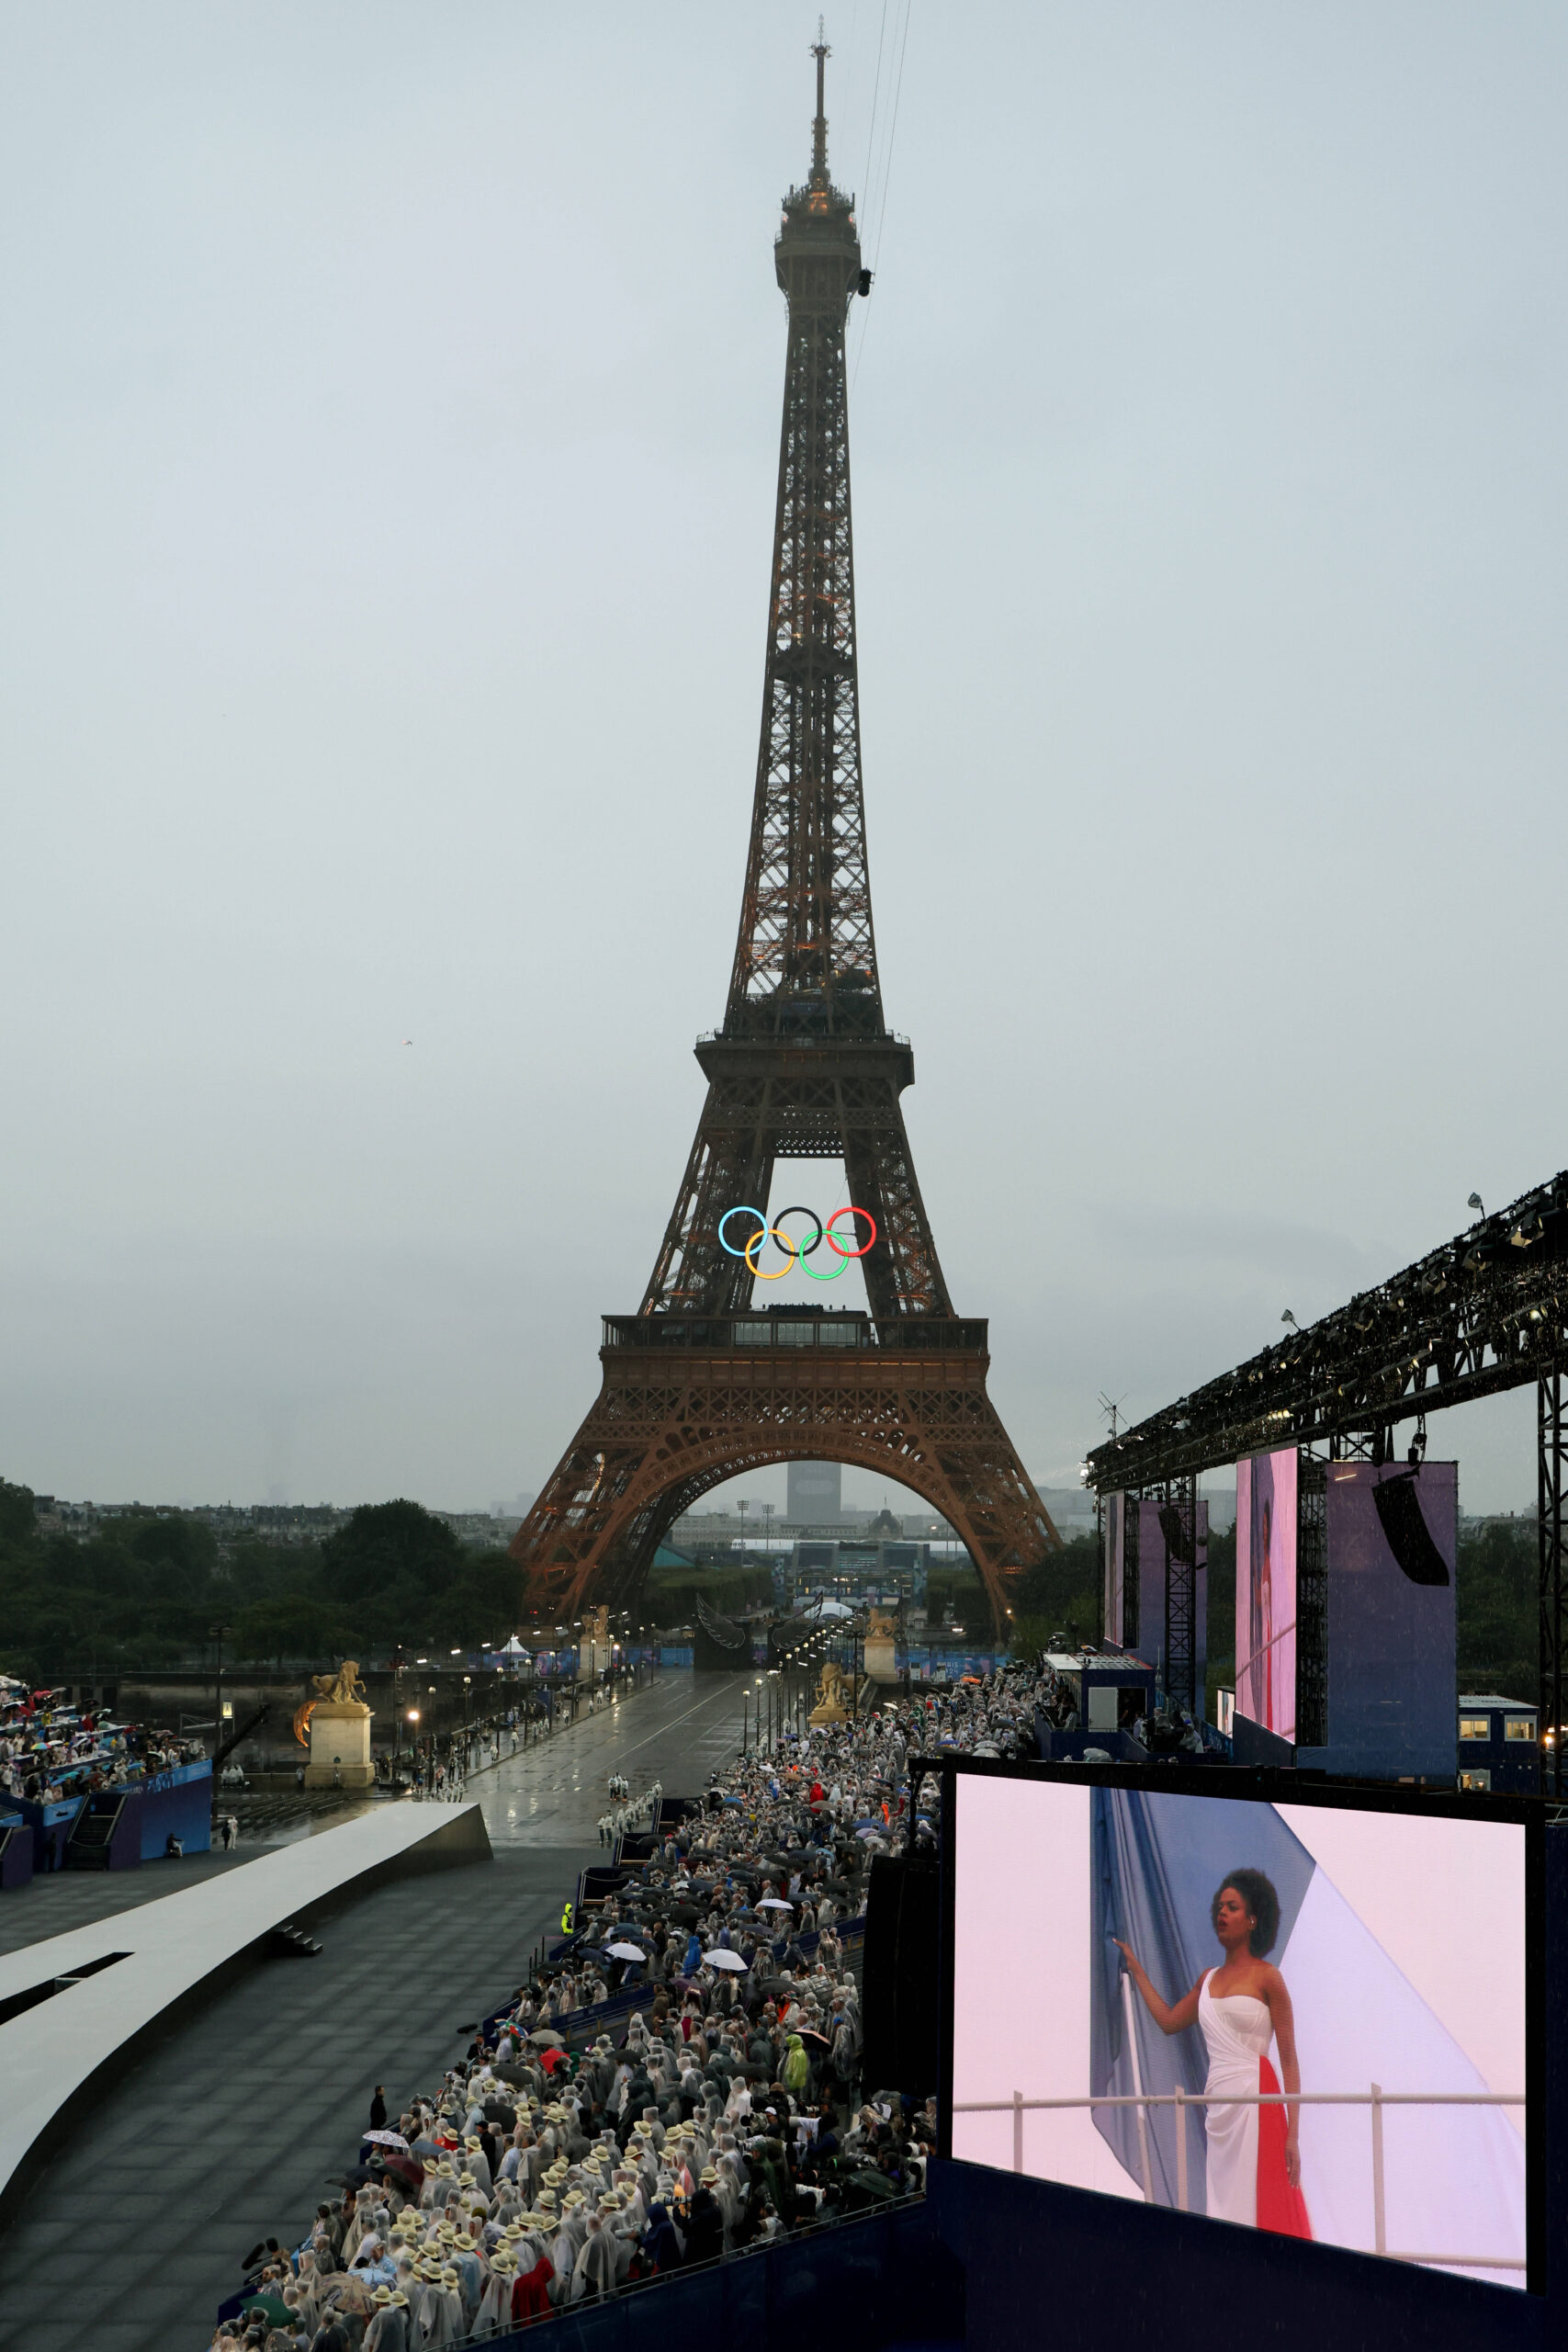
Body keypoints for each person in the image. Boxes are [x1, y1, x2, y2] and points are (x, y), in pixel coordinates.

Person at [1114, 1867, 1311, 2238]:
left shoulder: (1269, 1978)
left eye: (1232, 1907)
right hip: (1218, 2103)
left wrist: (1293, 2135)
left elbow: (1289, 2060)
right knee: (1224, 2210)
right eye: (1220, 1906)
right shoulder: (1207, 1979)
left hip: (1258, 2099)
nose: (1222, 1913)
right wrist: (1137, 1970)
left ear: (1253, 1920)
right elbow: (1170, 2020)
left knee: (1262, 2206)